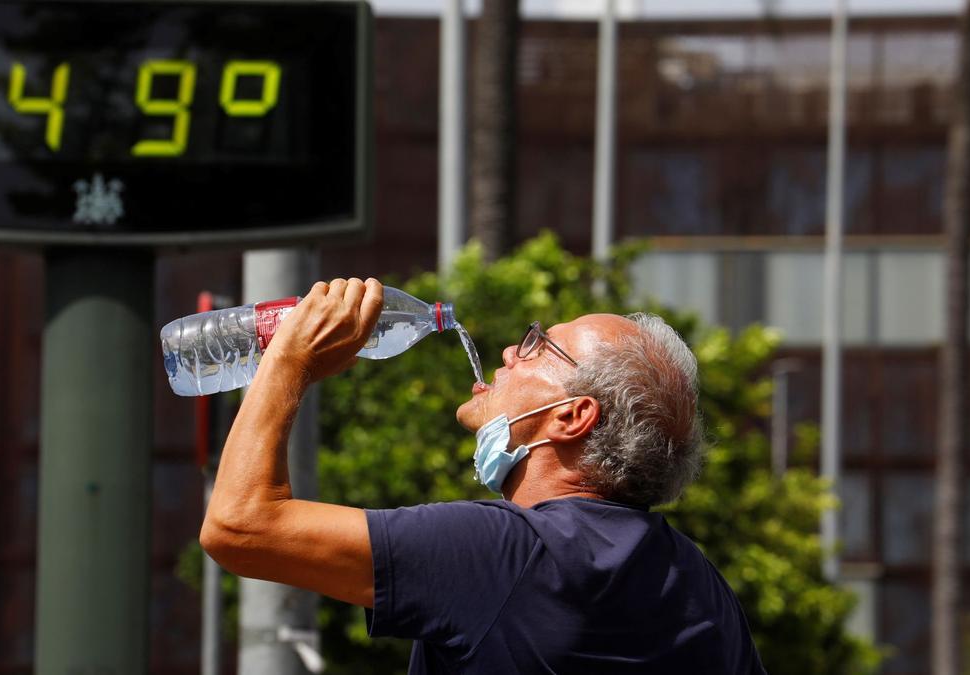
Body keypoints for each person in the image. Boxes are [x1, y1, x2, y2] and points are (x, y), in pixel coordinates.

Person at [200, 277, 768, 674]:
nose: (509, 352)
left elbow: (240, 526)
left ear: (572, 417)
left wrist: (288, 361)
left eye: (539, 346)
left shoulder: (503, 553)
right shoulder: (699, 584)